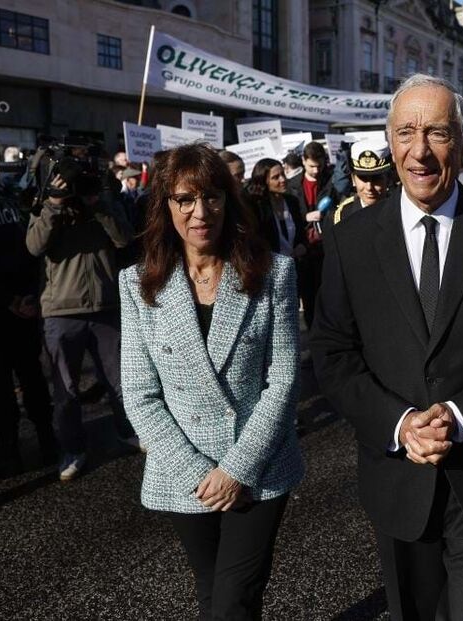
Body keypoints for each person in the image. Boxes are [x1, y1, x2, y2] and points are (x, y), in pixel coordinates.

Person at [310, 74, 463, 621]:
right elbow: (333, 353)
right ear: (388, 140)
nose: (419, 151)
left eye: (438, 133)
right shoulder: (351, 239)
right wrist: (400, 424)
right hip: (399, 479)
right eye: (405, 132)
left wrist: (460, 414)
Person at [119, 144, 304, 619]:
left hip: (258, 466)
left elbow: (282, 378)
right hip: (184, 473)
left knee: (233, 597)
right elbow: (140, 394)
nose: (201, 212)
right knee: (212, 591)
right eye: (185, 199)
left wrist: (236, 469)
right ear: (166, 207)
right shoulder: (139, 284)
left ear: (229, 200)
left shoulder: (273, 273)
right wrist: (198, 474)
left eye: (213, 197)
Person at [25, 157, 139, 481]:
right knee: (66, 390)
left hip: (104, 305)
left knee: (120, 380)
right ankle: (73, 450)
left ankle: (127, 430)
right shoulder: (45, 206)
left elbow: (125, 239)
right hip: (61, 311)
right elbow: (34, 246)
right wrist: (54, 204)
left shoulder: (104, 202)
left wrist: (98, 204)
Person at [0, 157, 57, 474]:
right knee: (31, 376)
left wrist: (9, 299)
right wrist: (27, 296)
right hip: (22, 306)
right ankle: (48, 440)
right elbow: (31, 250)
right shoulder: (12, 200)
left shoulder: (7, 199)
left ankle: (9, 449)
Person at [287, 141, 337, 329]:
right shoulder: (292, 185)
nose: (316, 170)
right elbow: (288, 214)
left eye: (319, 166)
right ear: (303, 161)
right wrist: (305, 217)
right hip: (303, 250)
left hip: (325, 247)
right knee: (308, 297)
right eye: (311, 166)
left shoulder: (331, 182)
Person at [247, 157, 307, 259]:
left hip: (296, 265)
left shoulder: (292, 202)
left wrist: (302, 245)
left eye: (283, 174)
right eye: (276, 177)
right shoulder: (257, 207)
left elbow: (301, 232)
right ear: (263, 181)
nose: (282, 179)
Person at [329, 137, 394, 226]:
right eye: (363, 179)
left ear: (388, 178)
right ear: (353, 179)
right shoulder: (341, 217)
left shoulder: (401, 210)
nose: (369, 187)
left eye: (376, 179)